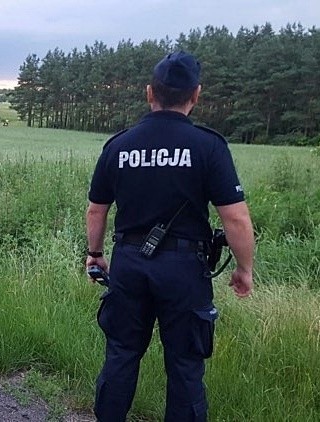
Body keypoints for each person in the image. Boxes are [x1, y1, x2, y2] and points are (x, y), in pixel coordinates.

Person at [85, 51, 254, 421]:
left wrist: (95, 253)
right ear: (196, 94)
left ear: (150, 93)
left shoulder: (119, 146)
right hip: (184, 270)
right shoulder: (208, 146)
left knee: (121, 353)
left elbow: (97, 209)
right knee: (185, 366)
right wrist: (244, 268)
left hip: (129, 264)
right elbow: (236, 219)